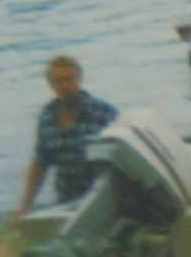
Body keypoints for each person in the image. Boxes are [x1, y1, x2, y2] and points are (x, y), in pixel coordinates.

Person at [13, 54, 118, 221]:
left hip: (101, 198)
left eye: (69, 79)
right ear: (51, 85)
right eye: (59, 81)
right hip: (65, 200)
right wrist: (25, 204)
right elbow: (40, 162)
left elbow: (120, 158)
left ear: (80, 78)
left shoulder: (103, 113)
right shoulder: (46, 117)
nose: (65, 85)